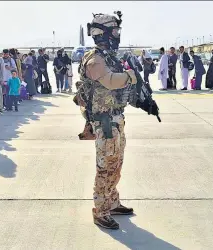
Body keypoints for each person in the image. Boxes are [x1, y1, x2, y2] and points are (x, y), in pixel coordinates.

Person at [74, 12, 137, 230]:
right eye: (115, 31)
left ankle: (112, 201)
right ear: (104, 33)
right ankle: (100, 211)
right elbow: (110, 81)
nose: (117, 35)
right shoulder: (96, 59)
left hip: (116, 119)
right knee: (105, 167)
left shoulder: (108, 56)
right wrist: (131, 76)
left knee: (116, 164)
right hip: (105, 123)